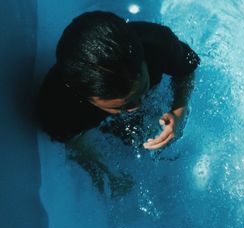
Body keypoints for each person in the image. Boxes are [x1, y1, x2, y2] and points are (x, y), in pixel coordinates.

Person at [36, 11, 200, 196]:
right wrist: (107, 173)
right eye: (121, 106)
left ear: (144, 59)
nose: (137, 106)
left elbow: (186, 71)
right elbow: (74, 142)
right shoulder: (60, 108)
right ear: (86, 98)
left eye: (142, 89)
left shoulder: (157, 42)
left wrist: (179, 109)